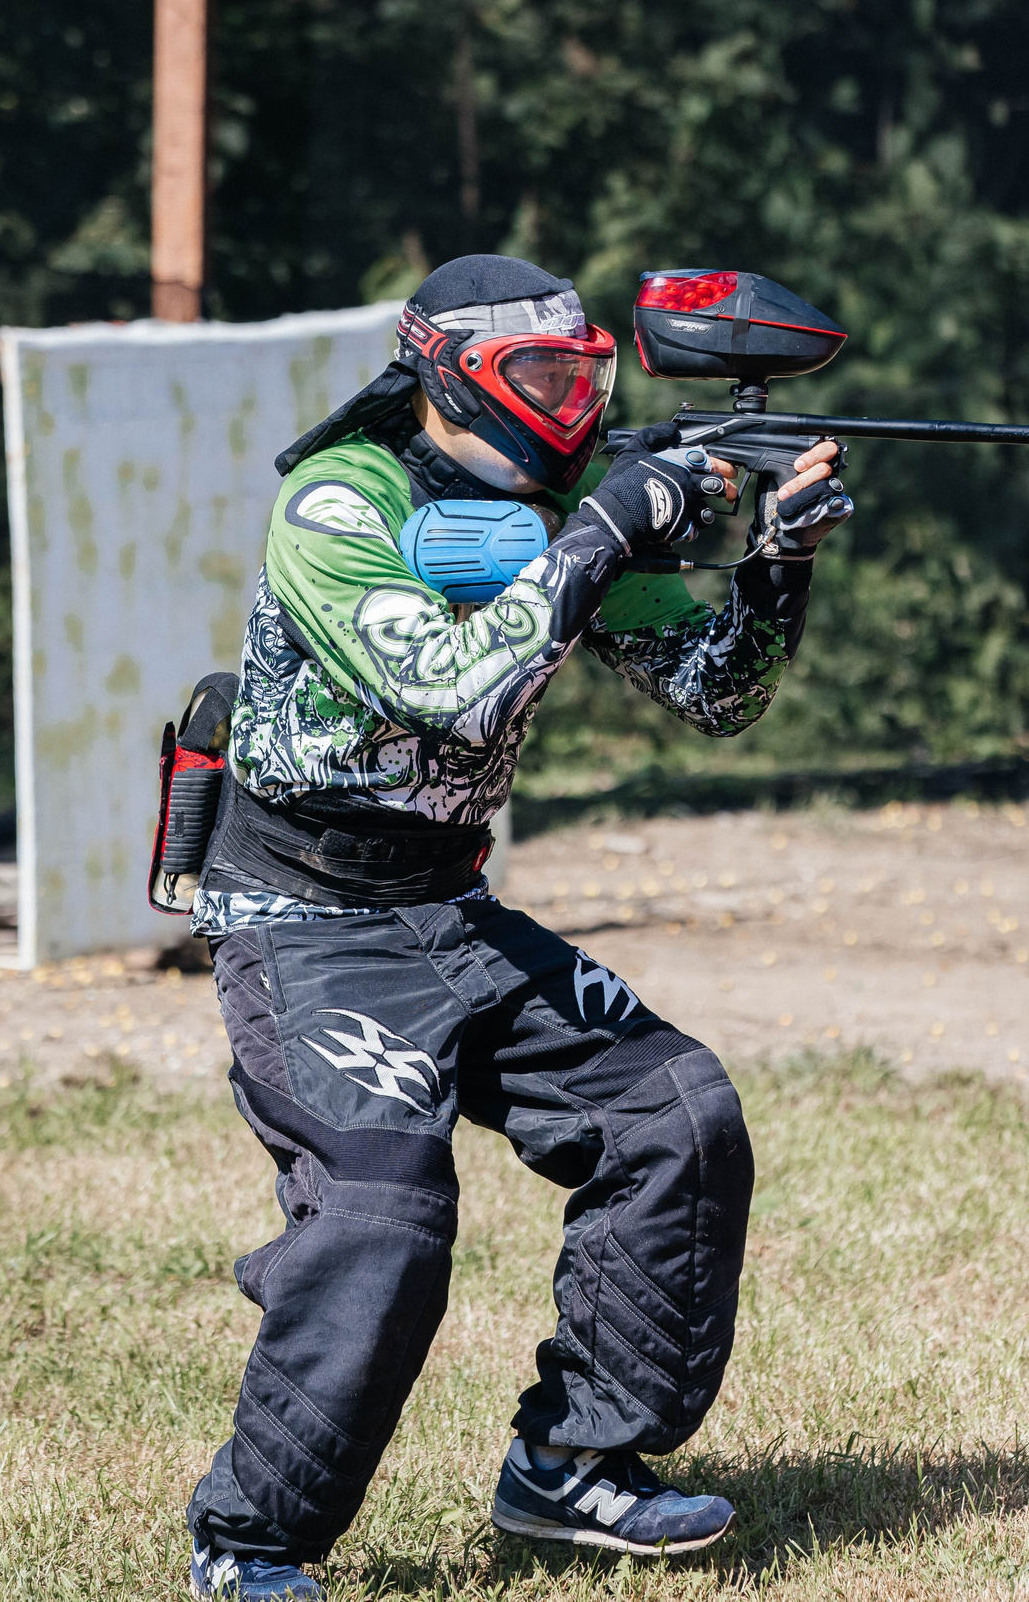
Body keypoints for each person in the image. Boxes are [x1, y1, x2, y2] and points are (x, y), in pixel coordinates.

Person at [179, 255, 853, 1600]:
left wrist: (777, 563)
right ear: (446, 372)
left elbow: (718, 699)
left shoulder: (555, 510)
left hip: (450, 903)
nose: (569, 406)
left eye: (586, 378)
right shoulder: (339, 501)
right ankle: (247, 1545)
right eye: (538, 379)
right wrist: (604, 528)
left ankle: (576, 1464)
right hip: (303, 920)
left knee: (678, 1113)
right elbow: (449, 696)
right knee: (383, 1218)